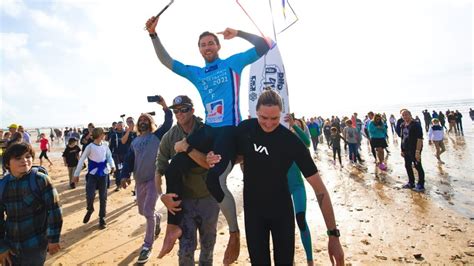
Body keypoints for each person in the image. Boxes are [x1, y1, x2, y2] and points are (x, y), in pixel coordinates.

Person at [146, 15, 270, 263]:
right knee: (174, 167)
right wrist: (153, 34)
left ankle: (235, 233)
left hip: (228, 130)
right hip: (209, 130)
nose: (207, 47)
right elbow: (167, 61)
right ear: (199, 49)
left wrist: (239, 33)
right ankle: (173, 226)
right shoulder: (198, 73)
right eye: (203, 44)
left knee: (215, 179)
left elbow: (266, 44)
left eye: (211, 43)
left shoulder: (233, 64)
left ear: (218, 46)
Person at [206, 90, 344, 265]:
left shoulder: (291, 142)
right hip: (254, 214)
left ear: (282, 114)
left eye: (275, 119)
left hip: (282, 214)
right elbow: (229, 158)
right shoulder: (245, 130)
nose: (269, 124)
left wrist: (333, 235)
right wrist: (212, 157)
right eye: (264, 118)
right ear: (256, 112)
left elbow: (319, 188)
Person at [155, 95, 220, 266]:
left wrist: (186, 149)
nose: (179, 113)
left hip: (209, 199)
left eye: (184, 109)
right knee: (185, 250)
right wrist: (162, 196)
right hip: (185, 203)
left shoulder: (206, 131)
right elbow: (159, 171)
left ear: (192, 110)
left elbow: (210, 164)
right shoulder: (169, 138)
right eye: (176, 110)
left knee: (207, 248)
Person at [120, 98, 172, 264]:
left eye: (145, 120)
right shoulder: (134, 141)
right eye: (140, 120)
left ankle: (147, 246)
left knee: (147, 211)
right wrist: (124, 175)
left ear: (150, 123)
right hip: (139, 181)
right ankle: (157, 219)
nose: (142, 122)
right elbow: (128, 160)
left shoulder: (156, 136)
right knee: (143, 212)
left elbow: (168, 122)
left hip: (153, 180)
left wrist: (164, 106)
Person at [0, 142, 62, 264]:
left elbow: (54, 210)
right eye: (18, 158)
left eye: (28, 156)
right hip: (10, 246)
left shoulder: (40, 180)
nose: (24, 160)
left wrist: (53, 239)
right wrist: (2, 246)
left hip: (35, 245)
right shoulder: (3, 185)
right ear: (7, 164)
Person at [287, 116, 315, 265]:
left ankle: (310, 260)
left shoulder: (300, 143)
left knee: (301, 220)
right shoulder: (281, 140)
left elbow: (307, 142)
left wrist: (295, 127)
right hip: (281, 188)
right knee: (285, 225)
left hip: (297, 186)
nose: (293, 127)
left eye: (298, 125)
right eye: (291, 124)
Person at [73, 127, 115, 229]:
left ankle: (102, 218)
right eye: (103, 134)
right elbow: (82, 159)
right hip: (92, 174)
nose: (105, 135)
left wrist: (113, 166)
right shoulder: (90, 147)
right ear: (100, 135)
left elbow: (109, 156)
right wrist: (76, 174)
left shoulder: (105, 145)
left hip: (104, 174)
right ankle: (90, 209)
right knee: (90, 195)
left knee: (103, 197)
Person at [400, 109, 425, 192]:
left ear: (410, 115)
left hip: (415, 149)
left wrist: (418, 152)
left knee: (418, 166)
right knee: (407, 165)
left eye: (406, 114)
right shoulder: (403, 125)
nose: (405, 116)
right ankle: (411, 182)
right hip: (406, 149)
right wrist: (402, 149)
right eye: (403, 115)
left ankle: (421, 184)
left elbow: (420, 139)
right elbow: (403, 137)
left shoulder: (416, 125)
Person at [108, 121, 127, 191]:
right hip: (116, 155)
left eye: (122, 125)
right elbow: (110, 145)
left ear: (124, 126)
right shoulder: (113, 135)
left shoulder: (126, 133)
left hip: (125, 154)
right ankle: (118, 185)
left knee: (125, 169)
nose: (120, 126)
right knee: (117, 170)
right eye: (119, 125)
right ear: (117, 126)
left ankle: (124, 181)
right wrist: (109, 154)